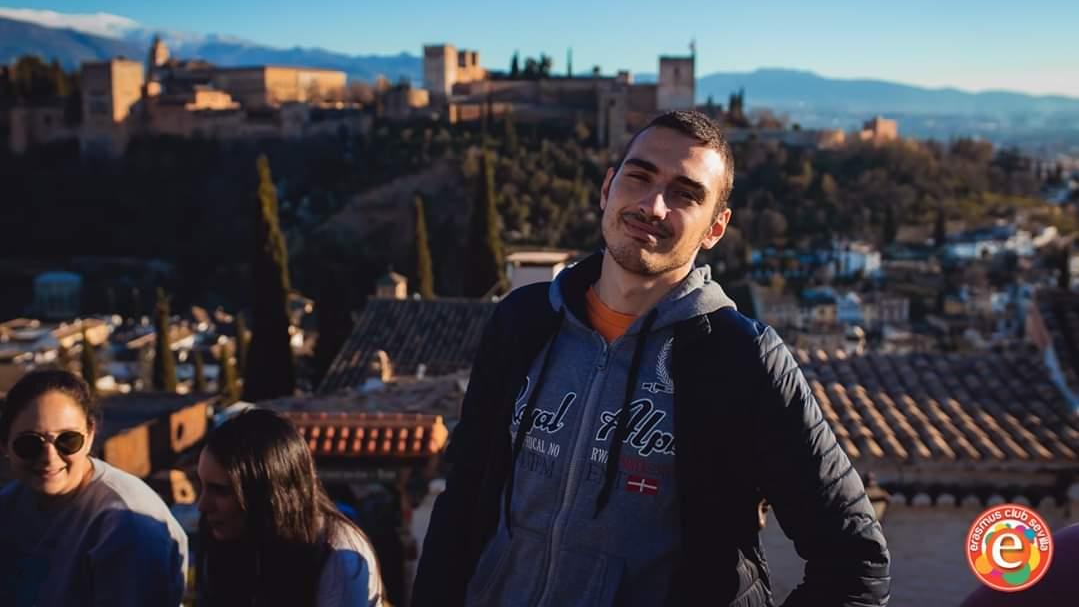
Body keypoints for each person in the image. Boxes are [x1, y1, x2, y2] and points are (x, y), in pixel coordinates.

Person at [413, 110, 891, 607]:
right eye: (639, 177)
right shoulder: (523, 320)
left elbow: (856, 563)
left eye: (685, 194)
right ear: (607, 189)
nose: (653, 205)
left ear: (715, 228)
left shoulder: (742, 360)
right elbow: (463, 498)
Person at [0, 369, 188, 606]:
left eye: (68, 440)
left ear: (89, 436)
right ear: (4, 445)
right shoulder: (10, 505)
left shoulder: (128, 527)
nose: (49, 457)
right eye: (29, 443)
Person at [196, 408, 385, 607]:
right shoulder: (221, 541)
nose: (202, 505)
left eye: (221, 491)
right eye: (202, 486)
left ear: (265, 494)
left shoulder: (338, 559)